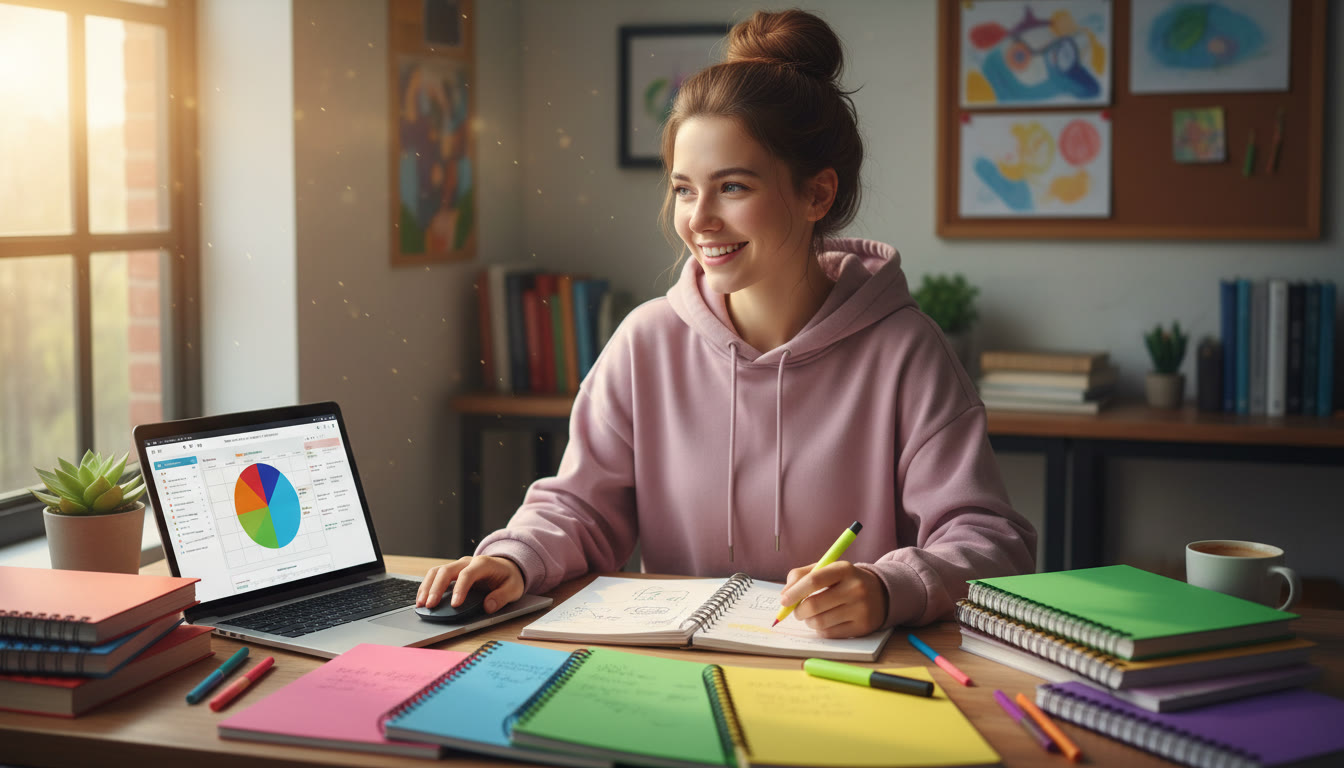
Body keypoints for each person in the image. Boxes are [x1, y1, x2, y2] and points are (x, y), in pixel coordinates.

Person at [419, 8, 1036, 638]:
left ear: (816, 195)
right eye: (685, 189)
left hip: (843, 677)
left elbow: (992, 540)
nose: (699, 220)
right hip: (675, 679)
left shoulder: (906, 352)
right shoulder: (646, 342)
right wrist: (515, 557)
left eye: (733, 187)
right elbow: (580, 507)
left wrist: (889, 586)